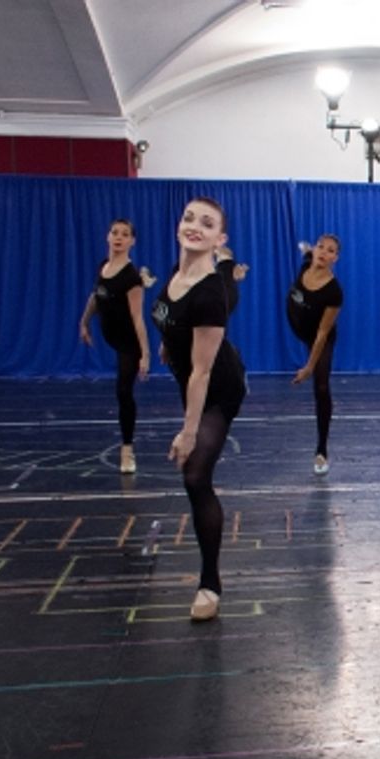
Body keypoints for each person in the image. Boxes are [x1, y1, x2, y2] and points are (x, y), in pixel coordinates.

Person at [151, 197, 246, 622]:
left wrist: (188, 432)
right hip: (190, 379)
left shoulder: (210, 293)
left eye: (206, 224)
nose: (194, 227)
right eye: (189, 217)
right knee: (193, 473)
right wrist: (167, 342)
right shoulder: (176, 274)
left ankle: (210, 583)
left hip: (220, 387)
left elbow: (203, 374)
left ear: (218, 239)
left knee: (195, 475)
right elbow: (169, 315)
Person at [79, 219, 151, 473]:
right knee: (121, 390)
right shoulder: (104, 266)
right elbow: (96, 296)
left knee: (123, 391)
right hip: (109, 333)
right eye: (115, 233)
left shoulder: (132, 277)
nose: (119, 237)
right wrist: (84, 322)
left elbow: (137, 317)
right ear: (108, 237)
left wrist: (145, 353)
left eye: (125, 234)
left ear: (132, 241)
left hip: (128, 342)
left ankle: (127, 450)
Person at [287, 235, 343, 475]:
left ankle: (321, 450)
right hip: (298, 326)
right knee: (306, 252)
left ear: (335, 258)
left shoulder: (334, 291)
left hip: (319, 339)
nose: (323, 252)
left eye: (330, 251)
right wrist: (307, 249)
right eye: (320, 247)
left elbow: (321, 334)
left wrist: (309, 367)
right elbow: (309, 253)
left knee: (321, 388)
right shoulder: (307, 263)